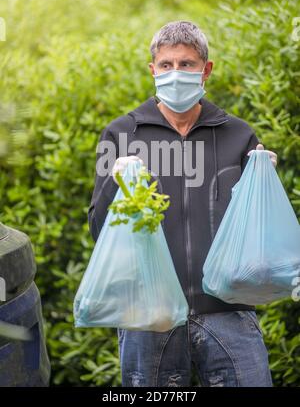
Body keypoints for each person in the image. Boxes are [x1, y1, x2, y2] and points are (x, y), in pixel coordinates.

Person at [88, 21, 277, 387]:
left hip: (228, 310)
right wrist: (114, 183)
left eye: (187, 64)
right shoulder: (121, 135)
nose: (176, 73)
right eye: (166, 65)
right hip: (148, 314)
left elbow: (258, 234)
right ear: (153, 70)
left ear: (206, 70)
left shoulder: (239, 135)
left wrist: (265, 188)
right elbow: (98, 229)